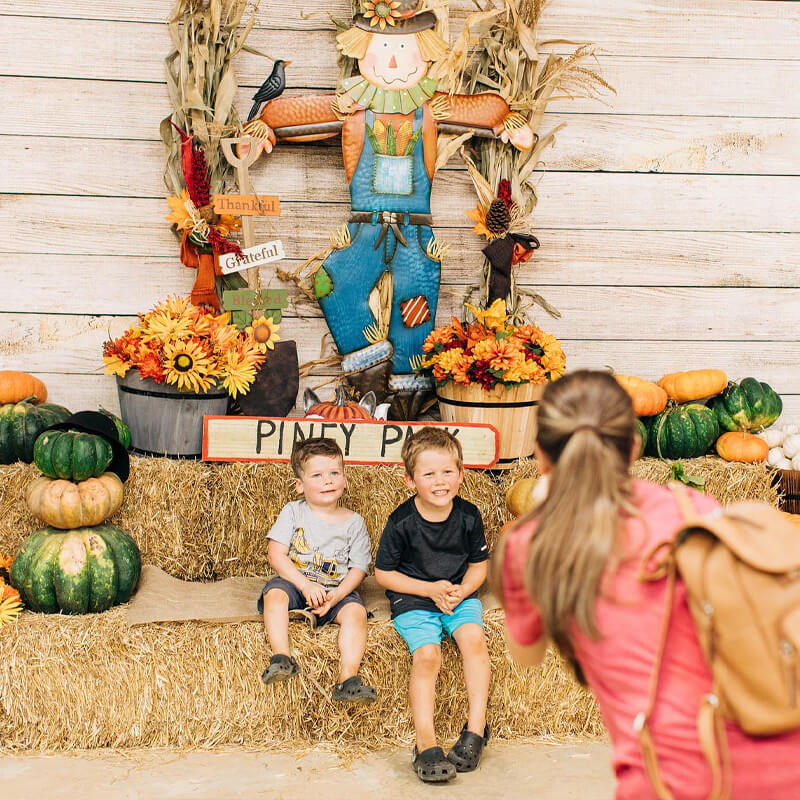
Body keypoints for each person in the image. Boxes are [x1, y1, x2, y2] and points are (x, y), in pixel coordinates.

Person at [495, 370, 800, 800]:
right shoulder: (691, 506)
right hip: (782, 760)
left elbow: (526, 653)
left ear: (540, 456)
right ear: (635, 448)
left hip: (674, 781)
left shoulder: (527, 546)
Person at [375, 427, 490, 783]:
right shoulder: (402, 522)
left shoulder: (469, 515)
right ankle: (425, 742)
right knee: (428, 656)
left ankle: (476, 729)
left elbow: (478, 566)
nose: (440, 481)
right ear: (410, 480)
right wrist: (429, 590)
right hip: (414, 597)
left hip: (457, 594)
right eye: (429, 474)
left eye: (447, 472)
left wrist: (463, 589)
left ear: (461, 473)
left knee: (474, 642)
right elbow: (383, 574)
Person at [258, 437, 376, 702]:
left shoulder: (354, 523)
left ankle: (348, 679)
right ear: (299, 486)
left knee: (356, 613)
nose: (328, 480)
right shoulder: (293, 512)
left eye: (335, 473)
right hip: (297, 584)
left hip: (337, 590)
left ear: (345, 478)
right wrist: (305, 586)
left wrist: (336, 596)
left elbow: (358, 569)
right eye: (318, 475)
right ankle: (282, 658)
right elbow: (276, 556)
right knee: (274, 596)